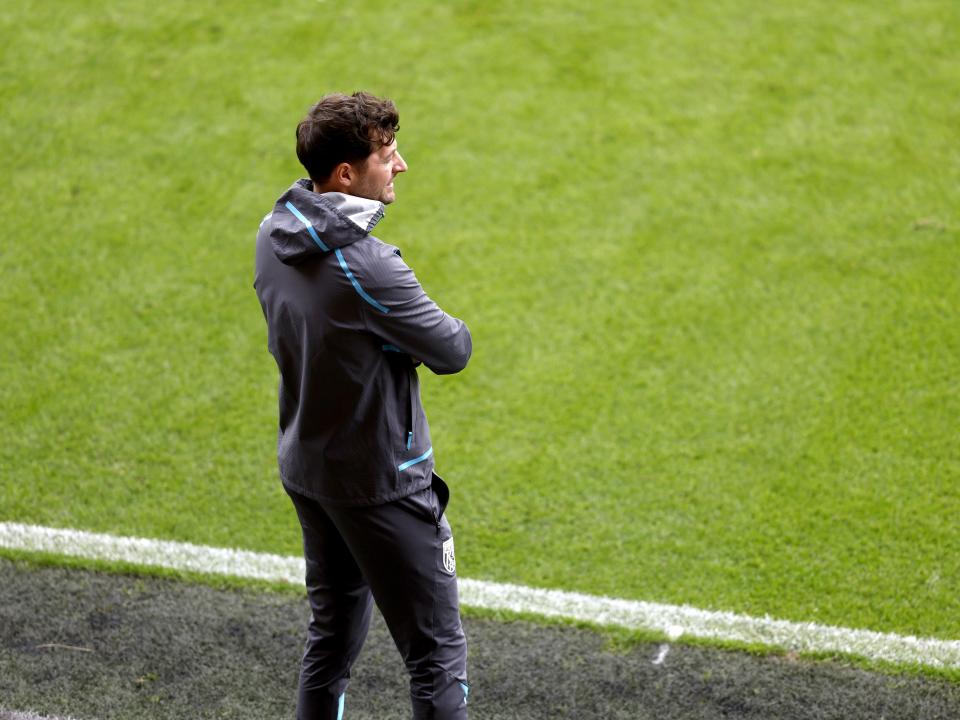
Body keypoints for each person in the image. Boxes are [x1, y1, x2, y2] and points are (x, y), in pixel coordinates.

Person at [253, 92, 472, 719]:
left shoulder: (272, 235)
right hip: (381, 484)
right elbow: (452, 347)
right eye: (386, 154)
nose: (400, 165)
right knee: (437, 659)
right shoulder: (368, 268)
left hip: (310, 470)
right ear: (346, 174)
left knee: (330, 643)